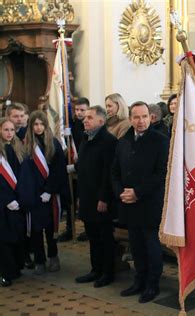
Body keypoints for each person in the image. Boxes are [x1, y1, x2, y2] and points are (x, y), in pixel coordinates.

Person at [111, 101, 169, 303]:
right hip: (128, 203)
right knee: (135, 245)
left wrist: (137, 192)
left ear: (151, 117)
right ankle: (139, 280)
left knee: (151, 245)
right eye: (136, 117)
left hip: (149, 202)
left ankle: (152, 284)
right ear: (130, 119)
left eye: (145, 116)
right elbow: (115, 171)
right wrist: (122, 193)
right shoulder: (124, 141)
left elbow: (161, 174)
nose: (141, 121)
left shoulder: (160, 141)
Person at [18, 110, 69, 275]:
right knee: (36, 230)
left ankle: (53, 256)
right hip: (33, 195)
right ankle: (40, 260)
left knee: (51, 228)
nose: (39, 128)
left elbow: (58, 170)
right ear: (31, 126)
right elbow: (25, 173)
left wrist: (49, 190)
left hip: (51, 195)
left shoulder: (53, 143)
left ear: (46, 125)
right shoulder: (26, 146)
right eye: (35, 124)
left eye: (42, 124)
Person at [72, 106, 117, 287]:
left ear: (101, 120)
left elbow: (109, 173)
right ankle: (95, 269)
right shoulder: (86, 138)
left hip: (101, 198)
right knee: (92, 236)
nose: (85, 120)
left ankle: (107, 272)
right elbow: (83, 169)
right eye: (85, 117)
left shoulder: (108, 141)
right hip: (87, 196)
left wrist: (104, 198)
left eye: (90, 117)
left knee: (104, 237)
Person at [58, 97, 90, 242]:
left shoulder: (89, 125)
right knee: (70, 198)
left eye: (82, 110)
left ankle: (88, 229)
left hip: (85, 169)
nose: (79, 113)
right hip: (71, 166)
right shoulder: (71, 124)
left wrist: (77, 165)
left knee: (84, 200)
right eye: (76, 110)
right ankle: (70, 228)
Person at [0, 118, 26, 287]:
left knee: (18, 234)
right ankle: (6, 272)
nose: (9, 133)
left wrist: (20, 197)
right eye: (5, 129)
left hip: (18, 199)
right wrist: (7, 199)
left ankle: (17, 267)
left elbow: (23, 175)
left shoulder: (18, 148)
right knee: (4, 237)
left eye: (12, 130)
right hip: (3, 203)